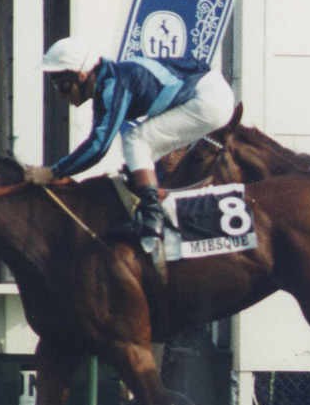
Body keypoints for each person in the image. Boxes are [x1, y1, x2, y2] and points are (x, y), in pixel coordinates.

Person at [22, 37, 235, 247]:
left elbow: (97, 148)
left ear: (82, 75)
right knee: (138, 159)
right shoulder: (110, 80)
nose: (60, 95)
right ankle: (151, 210)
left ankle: (152, 220)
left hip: (208, 99)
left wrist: (54, 172)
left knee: (135, 140)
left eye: (64, 86)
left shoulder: (113, 86)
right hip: (210, 94)